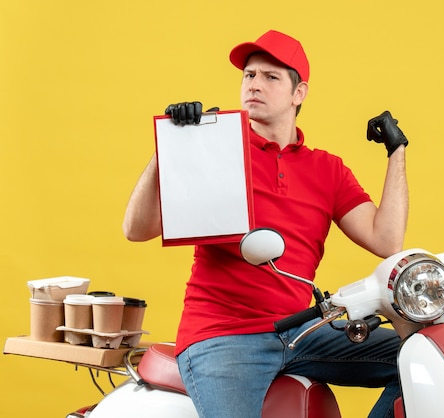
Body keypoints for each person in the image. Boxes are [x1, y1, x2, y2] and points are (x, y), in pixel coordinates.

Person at [123, 29, 409, 418]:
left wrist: (397, 151)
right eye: (249, 75)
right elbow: (136, 229)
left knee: (420, 356)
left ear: (299, 93)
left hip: (300, 331)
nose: (254, 84)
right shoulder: (215, 149)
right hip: (224, 337)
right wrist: (170, 146)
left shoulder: (327, 169)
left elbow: (386, 238)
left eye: (270, 77)